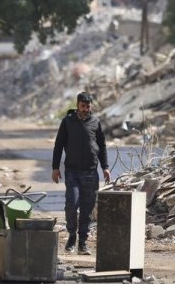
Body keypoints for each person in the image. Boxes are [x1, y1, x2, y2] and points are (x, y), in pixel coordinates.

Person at [51, 91, 111, 255]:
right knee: (72, 203)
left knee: (87, 209)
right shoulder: (67, 122)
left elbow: (102, 146)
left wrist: (105, 167)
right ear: (77, 105)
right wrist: (55, 168)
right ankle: (71, 236)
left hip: (91, 172)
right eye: (83, 106)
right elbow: (58, 145)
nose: (85, 109)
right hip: (72, 172)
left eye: (88, 106)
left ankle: (83, 242)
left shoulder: (95, 122)